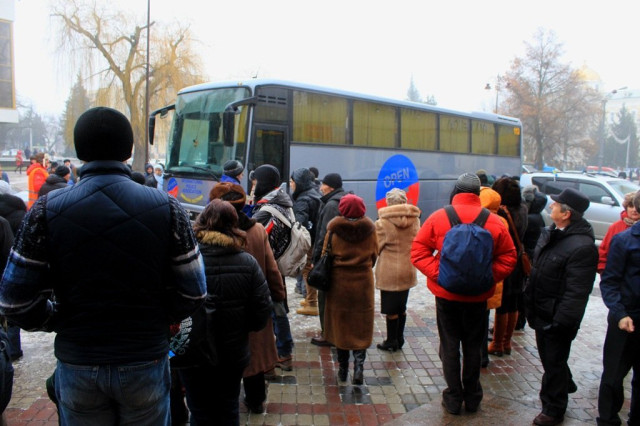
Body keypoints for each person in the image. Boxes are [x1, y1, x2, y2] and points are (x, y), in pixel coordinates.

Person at [0, 106, 207, 425]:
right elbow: (194, 291)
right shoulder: (167, 208)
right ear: (129, 149)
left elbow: (14, 300)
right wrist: (157, 317)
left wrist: (57, 318)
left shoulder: (45, 210)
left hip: (78, 360)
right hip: (144, 357)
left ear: (80, 150)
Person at [411, 173, 516, 415]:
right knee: (473, 347)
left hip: (446, 296)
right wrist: (487, 276)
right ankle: (473, 396)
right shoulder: (494, 221)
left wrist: (441, 274)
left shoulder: (439, 217)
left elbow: (418, 251)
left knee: (449, 346)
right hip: (478, 297)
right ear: (478, 194)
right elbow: (509, 257)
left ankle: (453, 397)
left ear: (456, 191)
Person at [179, 199, 272, 425]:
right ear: (234, 225)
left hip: (192, 351)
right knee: (229, 408)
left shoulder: (187, 260)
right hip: (232, 353)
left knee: (198, 410)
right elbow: (262, 311)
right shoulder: (248, 263)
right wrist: (241, 327)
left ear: (201, 222)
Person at [208, 182, 285, 414]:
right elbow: (272, 269)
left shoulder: (205, 234)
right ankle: (256, 401)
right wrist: (278, 295)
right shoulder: (257, 230)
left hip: (216, 308)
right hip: (254, 306)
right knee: (254, 357)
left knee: (221, 358)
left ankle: (224, 404)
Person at [524, 187, 598, 426]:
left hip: (556, 318)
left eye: (556, 204)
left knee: (553, 363)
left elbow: (577, 292)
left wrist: (561, 322)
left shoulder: (582, 246)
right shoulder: (551, 233)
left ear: (566, 214)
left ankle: (553, 409)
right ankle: (565, 382)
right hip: (541, 311)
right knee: (551, 360)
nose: (551, 205)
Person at [323, 194, 378, 385]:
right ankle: (359, 368)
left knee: (342, 326)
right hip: (363, 284)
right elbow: (374, 256)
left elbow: (325, 255)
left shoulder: (333, 230)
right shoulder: (370, 230)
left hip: (340, 285)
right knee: (361, 325)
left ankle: (343, 370)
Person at [597, 191, 640, 426]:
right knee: (613, 374)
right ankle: (607, 419)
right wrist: (619, 312)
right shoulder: (624, 240)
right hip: (626, 316)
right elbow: (610, 281)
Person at [250, 164, 295, 371]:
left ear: (264, 182)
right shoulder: (280, 201)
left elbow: (255, 236)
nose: (253, 187)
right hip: (274, 264)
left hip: (267, 267)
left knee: (276, 310)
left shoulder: (267, 210)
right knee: (278, 308)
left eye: (255, 182)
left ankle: (283, 352)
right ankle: (283, 349)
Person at [374, 188, 421, 352]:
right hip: (407, 268)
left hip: (389, 271)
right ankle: (399, 338)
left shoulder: (382, 223)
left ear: (388, 203)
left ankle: (391, 341)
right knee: (401, 306)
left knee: (390, 309)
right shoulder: (415, 220)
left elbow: (376, 247)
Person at [488, 177, 528, 357]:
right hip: (518, 260)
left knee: (503, 304)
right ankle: (507, 342)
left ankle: (497, 344)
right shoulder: (523, 209)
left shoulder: (502, 213)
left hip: (504, 259)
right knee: (513, 303)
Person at [309, 173, 347, 346]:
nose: (320, 187)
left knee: (324, 296)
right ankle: (335, 331)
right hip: (339, 257)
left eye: (323, 184)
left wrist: (316, 258)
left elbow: (324, 234)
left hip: (328, 258)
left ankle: (328, 334)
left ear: (330, 187)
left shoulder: (332, 204)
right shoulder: (342, 199)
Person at [290, 168, 322, 316]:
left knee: (307, 269)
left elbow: (299, 223)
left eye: (292, 181)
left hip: (309, 240)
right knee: (309, 268)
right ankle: (311, 298)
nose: (291, 184)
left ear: (299, 182)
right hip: (316, 236)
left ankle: (311, 302)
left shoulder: (303, 199)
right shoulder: (314, 193)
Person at [598, 192, 640, 274]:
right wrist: (602, 269)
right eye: (631, 206)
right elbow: (604, 249)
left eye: (637, 207)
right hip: (615, 271)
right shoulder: (615, 226)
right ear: (626, 208)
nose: (634, 210)